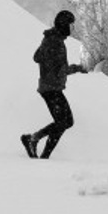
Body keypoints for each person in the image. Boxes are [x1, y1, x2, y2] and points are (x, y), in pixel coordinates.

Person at [20, 9, 88, 159]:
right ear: (64, 25)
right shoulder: (55, 42)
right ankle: (33, 141)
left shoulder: (51, 39)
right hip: (51, 89)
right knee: (65, 122)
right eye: (71, 25)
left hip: (50, 87)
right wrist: (77, 68)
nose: (72, 29)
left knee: (64, 122)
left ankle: (36, 144)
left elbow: (37, 57)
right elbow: (60, 70)